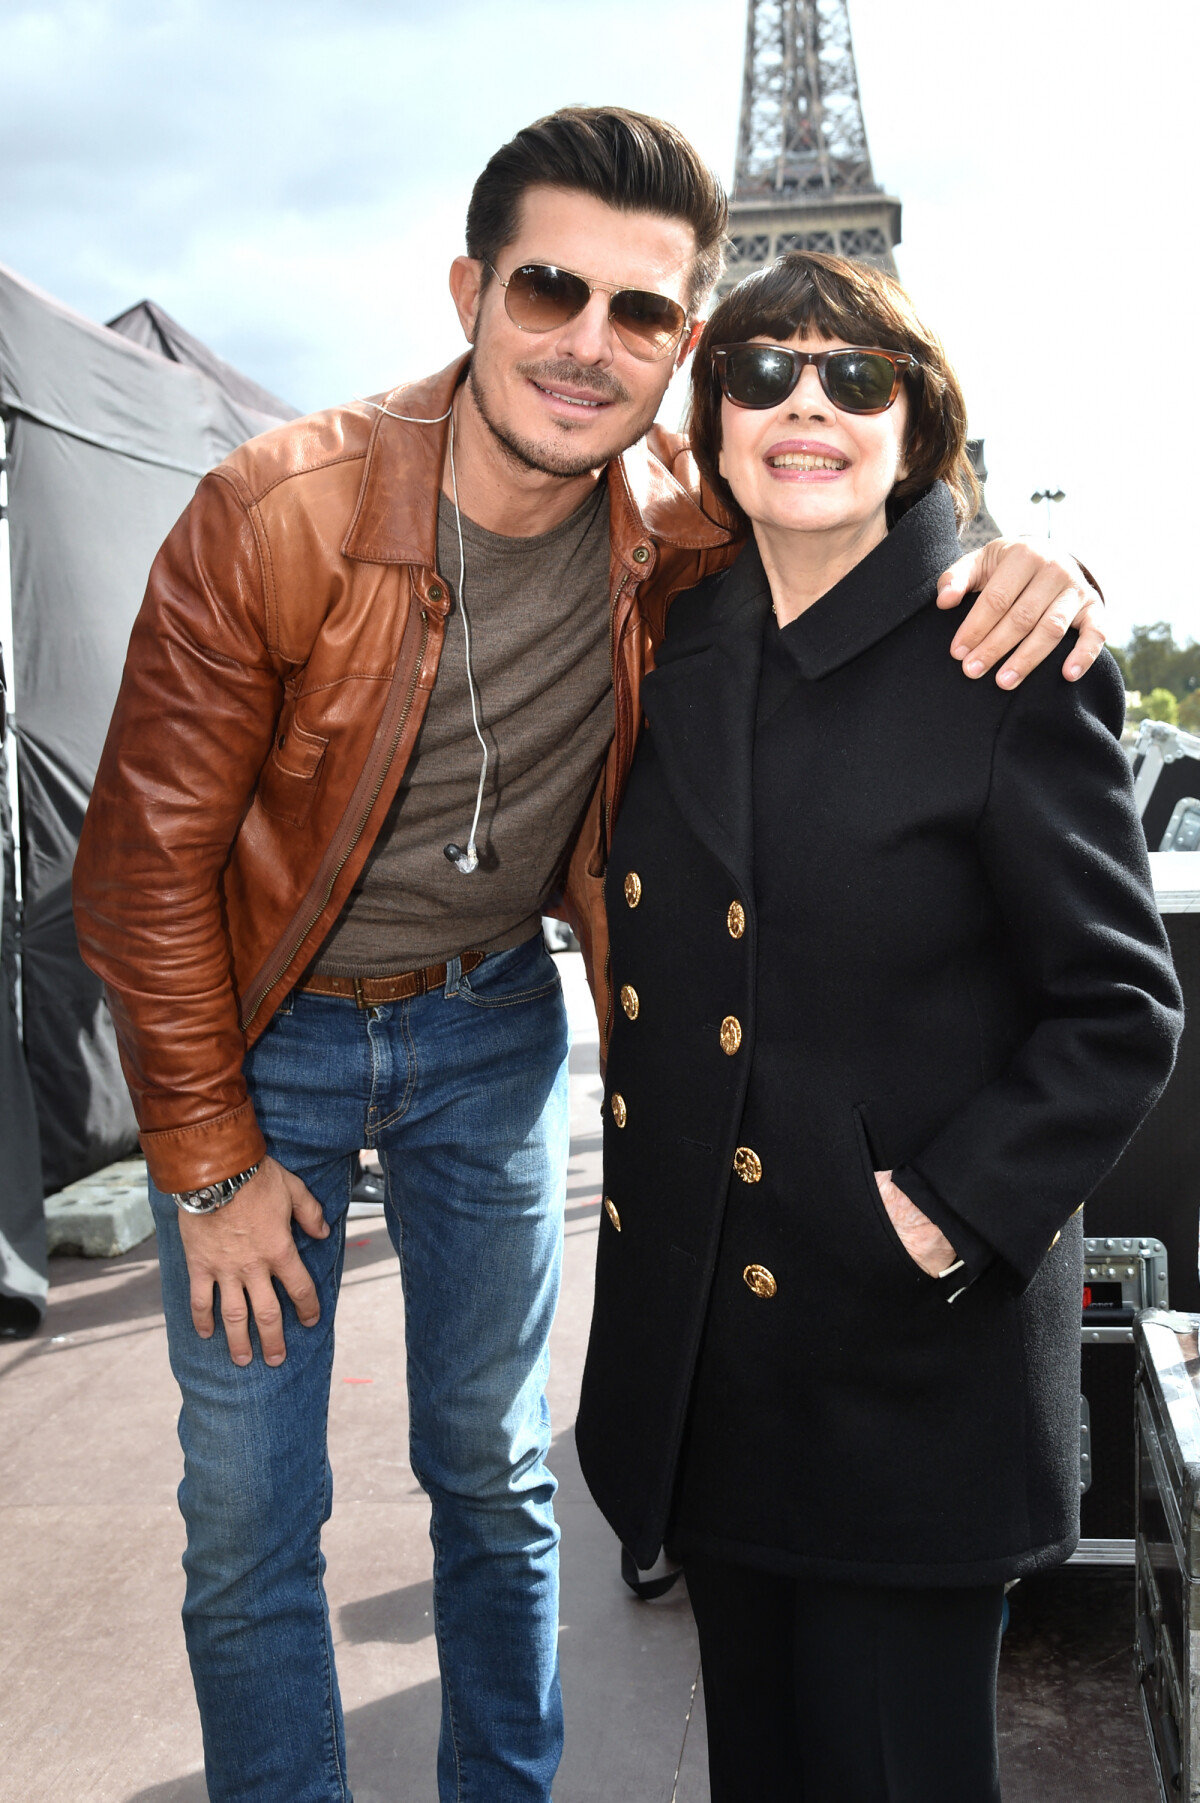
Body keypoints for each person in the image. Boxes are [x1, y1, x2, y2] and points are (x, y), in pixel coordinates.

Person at [73, 106, 1108, 1803]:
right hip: (271, 1036)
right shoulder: (282, 509)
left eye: (644, 314)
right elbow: (140, 873)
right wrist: (204, 1165)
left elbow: (870, 533)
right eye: (552, 290)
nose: (591, 345)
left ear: (676, 346)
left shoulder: (674, 524)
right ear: (472, 290)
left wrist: (1035, 563)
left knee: (492, 1476)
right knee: (251, 1512)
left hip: (488, 1026)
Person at [574, 249, 1184, 1803]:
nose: (807, 403)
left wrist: (946, 1215)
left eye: (858, 378)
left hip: (907, 1364)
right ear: (711, 418)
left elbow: (1118, 1006)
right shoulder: (673, 643)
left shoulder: (1002, 659)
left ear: (919, 430)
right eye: (764, 369)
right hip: (718, 1365)